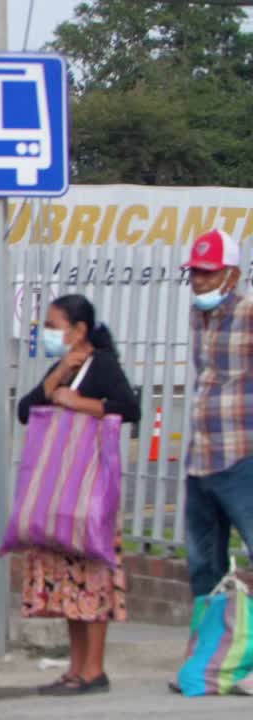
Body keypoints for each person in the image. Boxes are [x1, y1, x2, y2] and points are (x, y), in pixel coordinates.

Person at [16, 294, 139, 696]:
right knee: (66, 583)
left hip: (90, 488)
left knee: (93, 579)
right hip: (60, 492)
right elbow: (26, 409)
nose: (49, 333)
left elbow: (128, 406)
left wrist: (81, 402)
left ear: (79, 329)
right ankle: (75, 667)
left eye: (54, 325)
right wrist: (56, 380)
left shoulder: (101, 365)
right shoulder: (66, 366)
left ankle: (94, 669)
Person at [182, 229, 253, 599]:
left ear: (233, 275)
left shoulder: (248, 312)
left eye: (208, 272)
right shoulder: (199, 314)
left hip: (241, 456)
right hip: (201, 459)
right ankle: (210, 646)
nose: (199, 280)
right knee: (203, 563)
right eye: (194, 272)